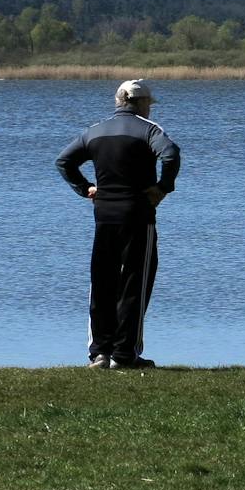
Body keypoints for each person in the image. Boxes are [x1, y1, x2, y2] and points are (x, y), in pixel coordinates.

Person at [55, 79, 182, 369]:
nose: (150, 109)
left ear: (118, 102)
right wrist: (163, 187)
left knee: (102, 281)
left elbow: (64, 161)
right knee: (135, 282)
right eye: (148, 103)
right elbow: (171, 154)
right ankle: (125, 354)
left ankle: (99, 352)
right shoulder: (149, 130)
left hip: (104, 215)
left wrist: (85, 187)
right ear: (140, 103)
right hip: (138, 213)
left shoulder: (94, 131)